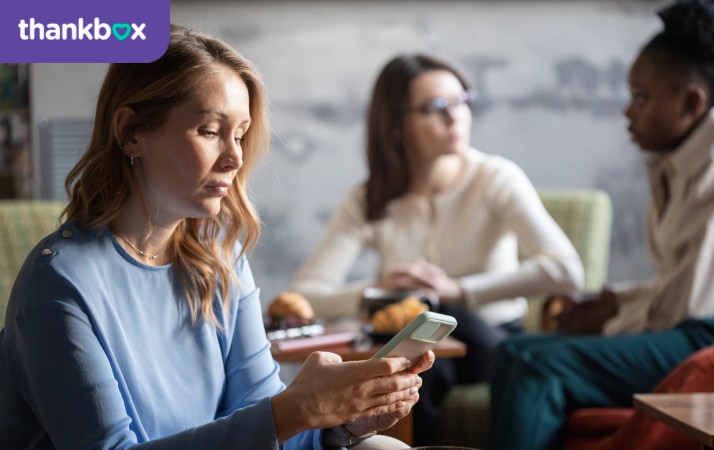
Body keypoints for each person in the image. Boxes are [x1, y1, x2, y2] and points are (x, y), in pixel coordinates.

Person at [0, 25, 433, 450]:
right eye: (210, 131)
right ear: (131, 131)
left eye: (240, 135)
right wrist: (296, 409)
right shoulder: (59, 283)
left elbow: (264, 424)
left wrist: (343, 424)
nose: (235, 157)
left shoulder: (220, 261)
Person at [491, 1, 714, 448]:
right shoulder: (676, 163)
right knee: (510, 352)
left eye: (641, 96)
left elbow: (687, 304)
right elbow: (681, 284)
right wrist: (615, 303)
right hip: (712, 315)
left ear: (691, 102)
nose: (627, 112)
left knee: (539, 365)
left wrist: (611, 322)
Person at [290, 53, 584, 445]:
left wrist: (456, 291)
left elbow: (566, 270)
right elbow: (305, 295)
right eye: (435, 108)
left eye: (463, 100)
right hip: (421, 348)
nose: (455, 116)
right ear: (396, 125)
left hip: (491, 341)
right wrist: (384, 293)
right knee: (418, 368)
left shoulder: (495, 177)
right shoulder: (370, 198)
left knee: (431, 319)